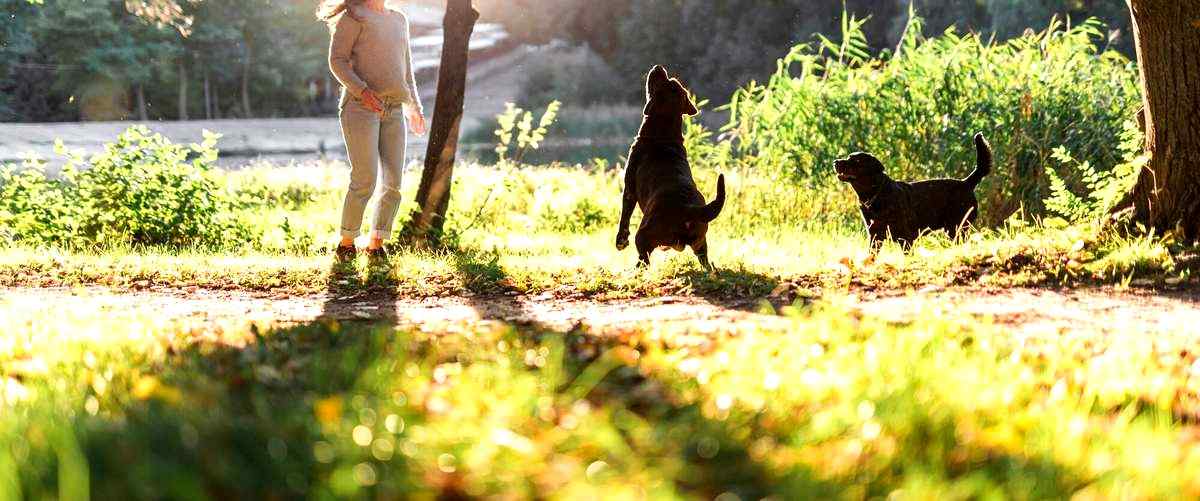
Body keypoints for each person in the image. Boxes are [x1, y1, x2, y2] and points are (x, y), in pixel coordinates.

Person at [318, 0, 427, 263]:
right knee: (365, 178)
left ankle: (376, 245)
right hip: (360, 108)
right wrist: (363, 92)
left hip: (394, 110)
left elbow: (406, 70)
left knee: (393, 183)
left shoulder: (399, 19)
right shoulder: (353, 17)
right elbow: (337, 61)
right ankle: (346, 243)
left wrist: (414, 107)